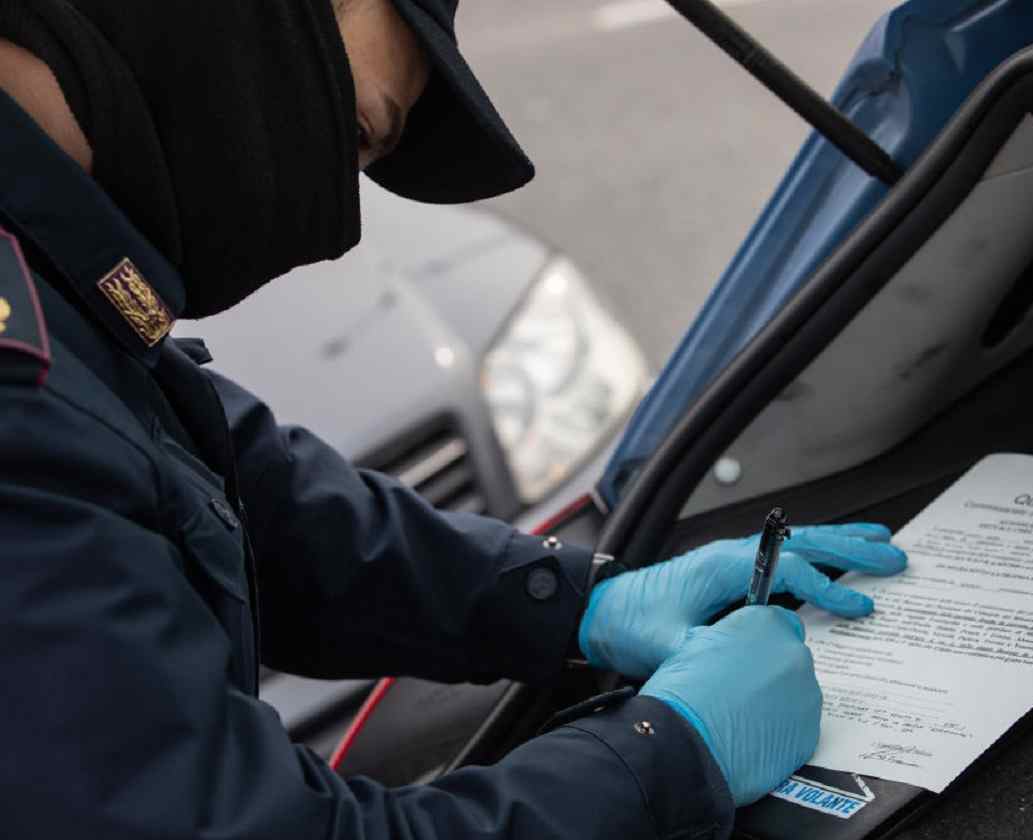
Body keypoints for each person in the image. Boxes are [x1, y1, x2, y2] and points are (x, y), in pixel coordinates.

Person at [0, 0, 908, 837]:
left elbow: (232, 480)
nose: (336, 219)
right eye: (357, 132)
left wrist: (575, 603)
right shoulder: (18, 397)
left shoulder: (52, 279)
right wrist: (664, 758)